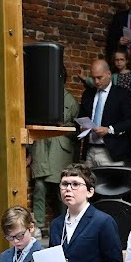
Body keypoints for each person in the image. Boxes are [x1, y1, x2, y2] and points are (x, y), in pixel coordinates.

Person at [30, 87, 78, 232]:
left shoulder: (71, 101)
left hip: (60, 149)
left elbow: (78, 129)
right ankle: (38, 225)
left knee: (62, 188)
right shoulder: (40, 97)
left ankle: (65, 224)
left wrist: (64, 128)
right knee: (39, 186)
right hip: (42, 147)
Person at [79, 58, 131, 167]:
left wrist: (109, 130)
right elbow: (81, 116)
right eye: (93, 78)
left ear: (109, 74)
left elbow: (130, 121)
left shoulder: (122, 94)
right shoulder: (87, 94)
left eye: (99, 77)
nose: (96, 81)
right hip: (89, 150)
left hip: (112, 152)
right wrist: (82, 127)